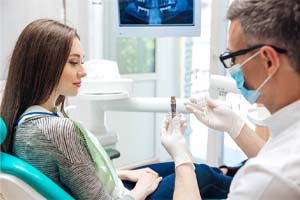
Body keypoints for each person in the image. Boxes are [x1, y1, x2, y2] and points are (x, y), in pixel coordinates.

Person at [0, 18, 236, 200]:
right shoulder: (56, 129)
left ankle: (229, 172)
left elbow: (72, 177)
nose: (83, 71)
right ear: (44, 64)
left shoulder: (24, 119)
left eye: (82, 61)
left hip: (111, 188)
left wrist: (123, 174)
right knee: (201, 174)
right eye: (74, 62)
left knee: (190, 169)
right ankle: (247, 183)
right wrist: (140, 190)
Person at [162, 0, 300, 199]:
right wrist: (235, 125)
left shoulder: (269, 177)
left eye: (233, 57)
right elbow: (277, 153)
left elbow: (275, 173)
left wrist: (181, 158)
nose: (232, 68)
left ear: (268, 60)